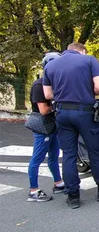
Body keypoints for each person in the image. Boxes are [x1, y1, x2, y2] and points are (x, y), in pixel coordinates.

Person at [43, 42, 99, 209]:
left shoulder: (51, 65)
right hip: (85, 113)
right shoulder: (89, 60)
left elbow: (47, 94)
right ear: (82, 51)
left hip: (62, 113)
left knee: (68, 154)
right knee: (95, 151)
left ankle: (73, 196)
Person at [27, 52, 65, 202]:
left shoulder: (52, 84)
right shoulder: (39, 85)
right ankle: (33, 190)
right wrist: (59, 105)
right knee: (37, 158)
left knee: (54, 156)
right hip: (43, 126)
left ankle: (59, 183)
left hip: (52, 125)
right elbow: (43, 110)